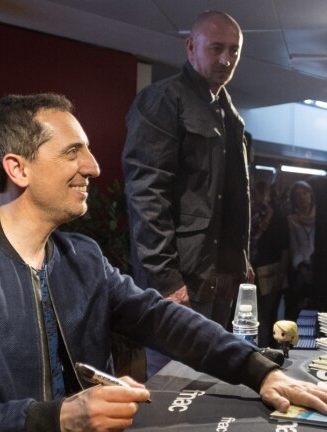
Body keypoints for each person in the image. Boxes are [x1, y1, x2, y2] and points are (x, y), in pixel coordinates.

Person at [0, 93, 327, 432]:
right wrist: (55, 420)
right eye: (73, 152)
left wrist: (259, 370)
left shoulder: (83, 256)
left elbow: (163, 320)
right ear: (18, 168)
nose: (93, 166)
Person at [122, 11, 252, 375]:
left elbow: (228, 197)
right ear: (191, 47)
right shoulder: (163, 100)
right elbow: (147, 196)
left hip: (220, 278)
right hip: (182, 279)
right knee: (173, 389)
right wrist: (165, 280)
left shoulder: (229, 113)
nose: (227, 59)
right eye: (217, 48)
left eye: (234, 51)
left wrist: (241, 261)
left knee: (211, 386)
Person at [249, 180, 289, 347]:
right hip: (251, 270)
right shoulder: (251, 213)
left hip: (269, 271)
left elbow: (285, 247)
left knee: (265, 316)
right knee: (253, 316)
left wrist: (281, 273)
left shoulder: (278, 216)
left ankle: (262, 352)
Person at [285, 180, 316, 320]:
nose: (302, 197)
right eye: (298, 195)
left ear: (311, 195)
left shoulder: (321, 217)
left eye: (305, 193)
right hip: (300, 267)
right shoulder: (292, 219)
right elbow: (294, 247)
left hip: (318, 264)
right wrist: (303, 269)